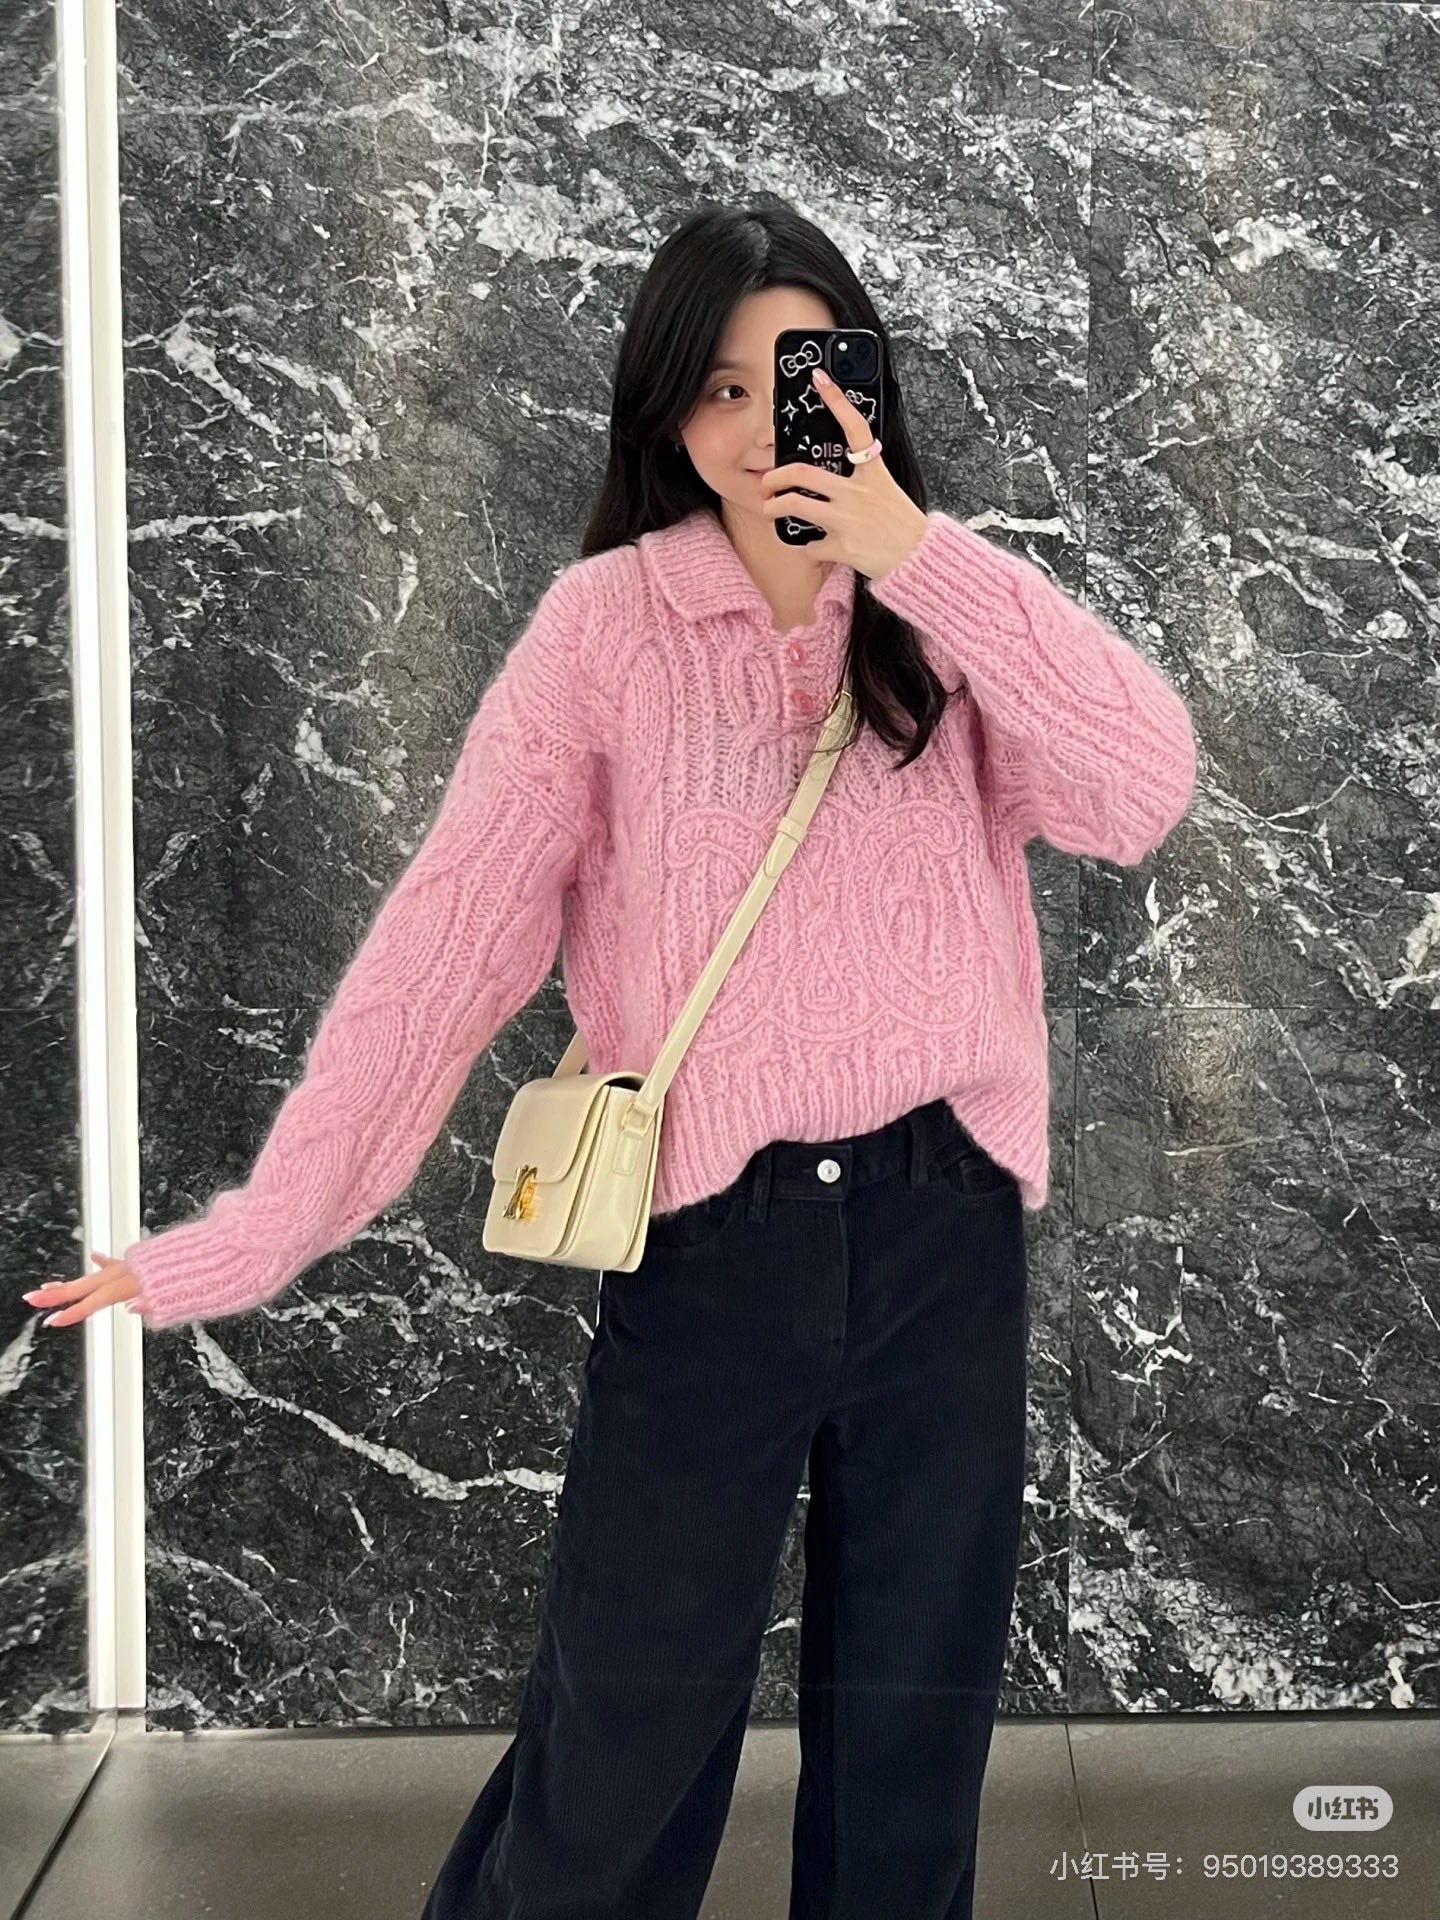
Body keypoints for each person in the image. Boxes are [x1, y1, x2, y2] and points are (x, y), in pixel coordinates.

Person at [23, 197, 1197, 1917]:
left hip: (945, 1225)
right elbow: (446, 949)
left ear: (863, 387)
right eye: (718, 386)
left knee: (911, 1745)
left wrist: (915, 549)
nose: (761, 422)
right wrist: (259, 1230)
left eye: (800, 375)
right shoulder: (606, 634)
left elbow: (1144, 786)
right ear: (665, 412)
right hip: (714, 1237)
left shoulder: (945, 615)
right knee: (623, 1739)